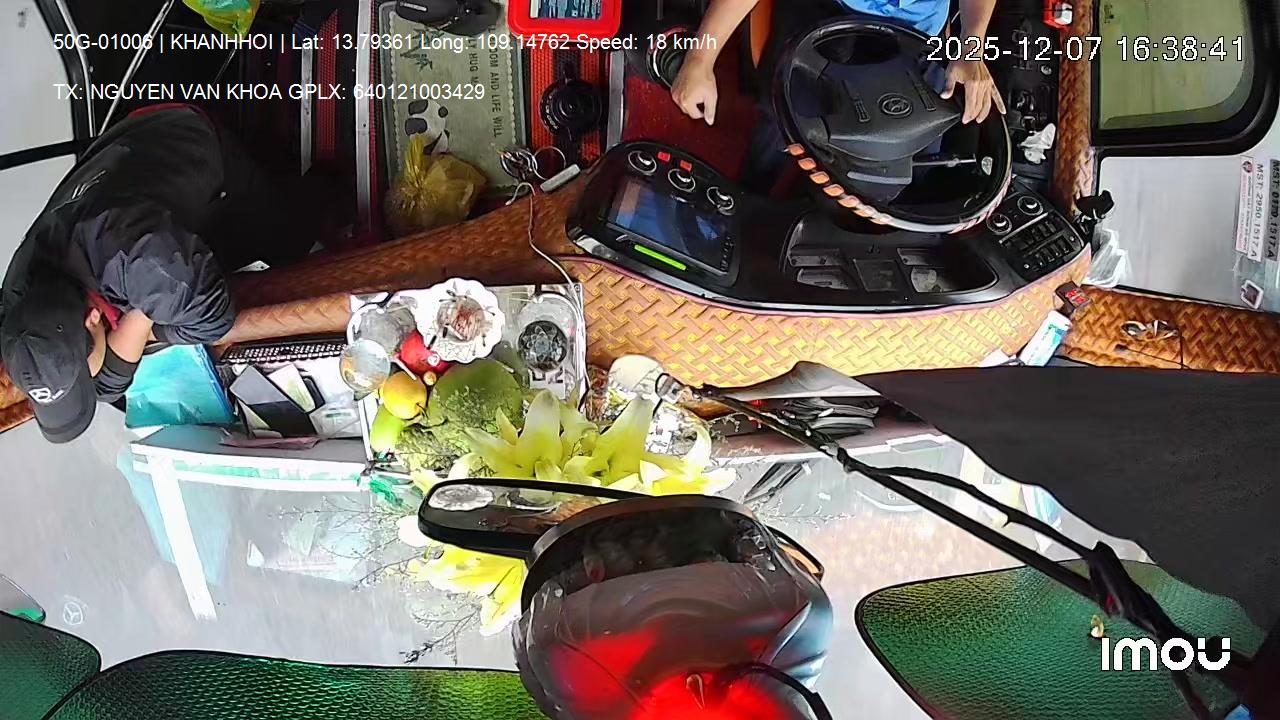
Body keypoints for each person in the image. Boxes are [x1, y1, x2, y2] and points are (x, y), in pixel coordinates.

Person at [0, 104, 333, 443]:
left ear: (92, 317)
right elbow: (104, 386)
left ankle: (332, 179)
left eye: (83, 381)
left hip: (184, 135)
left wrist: (144, 318)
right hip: (123, 155)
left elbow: (214, 318)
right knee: (189, 275)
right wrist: (140, 319)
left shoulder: (132, 260)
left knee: (283, 244)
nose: (91, 386)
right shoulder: (17, 300)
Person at [671, 0, 1007, 126]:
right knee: (786, 123)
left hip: (920, 32)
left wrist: (971, 49)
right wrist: (700, 58)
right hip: (829, 13)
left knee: (923, 153)